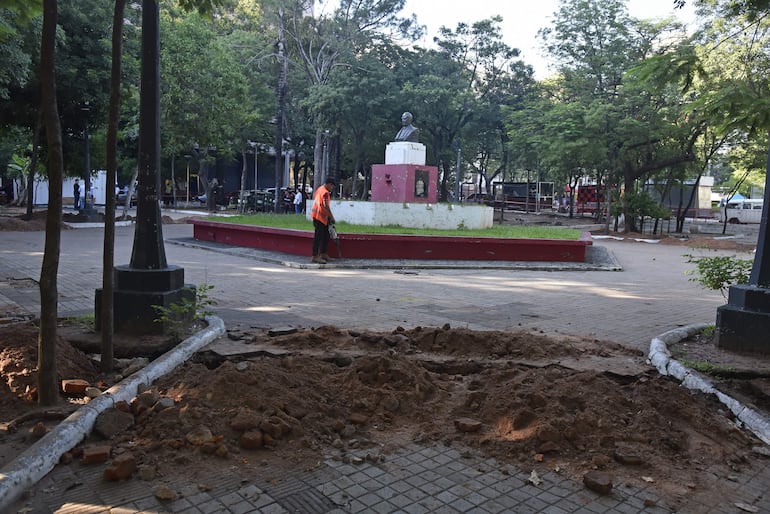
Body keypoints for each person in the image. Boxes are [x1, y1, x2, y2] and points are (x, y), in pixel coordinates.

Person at [310, 178, 336, 264]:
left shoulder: (320, 189)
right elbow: (325, 206)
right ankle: (315, 256)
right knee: (318, 237)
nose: (332, 188)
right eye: (332, 186)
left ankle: (323, 253)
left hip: (320, 216)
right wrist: (332, 217)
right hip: (319, 217)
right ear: (329, 184)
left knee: (326, 236)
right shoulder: (325, 192)